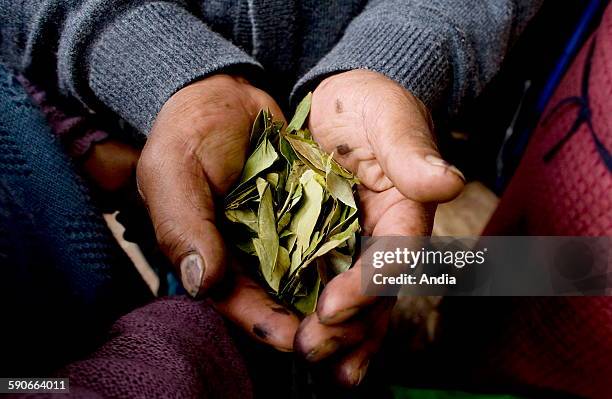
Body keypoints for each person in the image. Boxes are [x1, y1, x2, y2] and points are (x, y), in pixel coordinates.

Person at [0, 0, 544, 386]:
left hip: (440, 151)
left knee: (525, 282)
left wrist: (402, 58)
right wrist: (157, 70)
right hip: (188, 168)